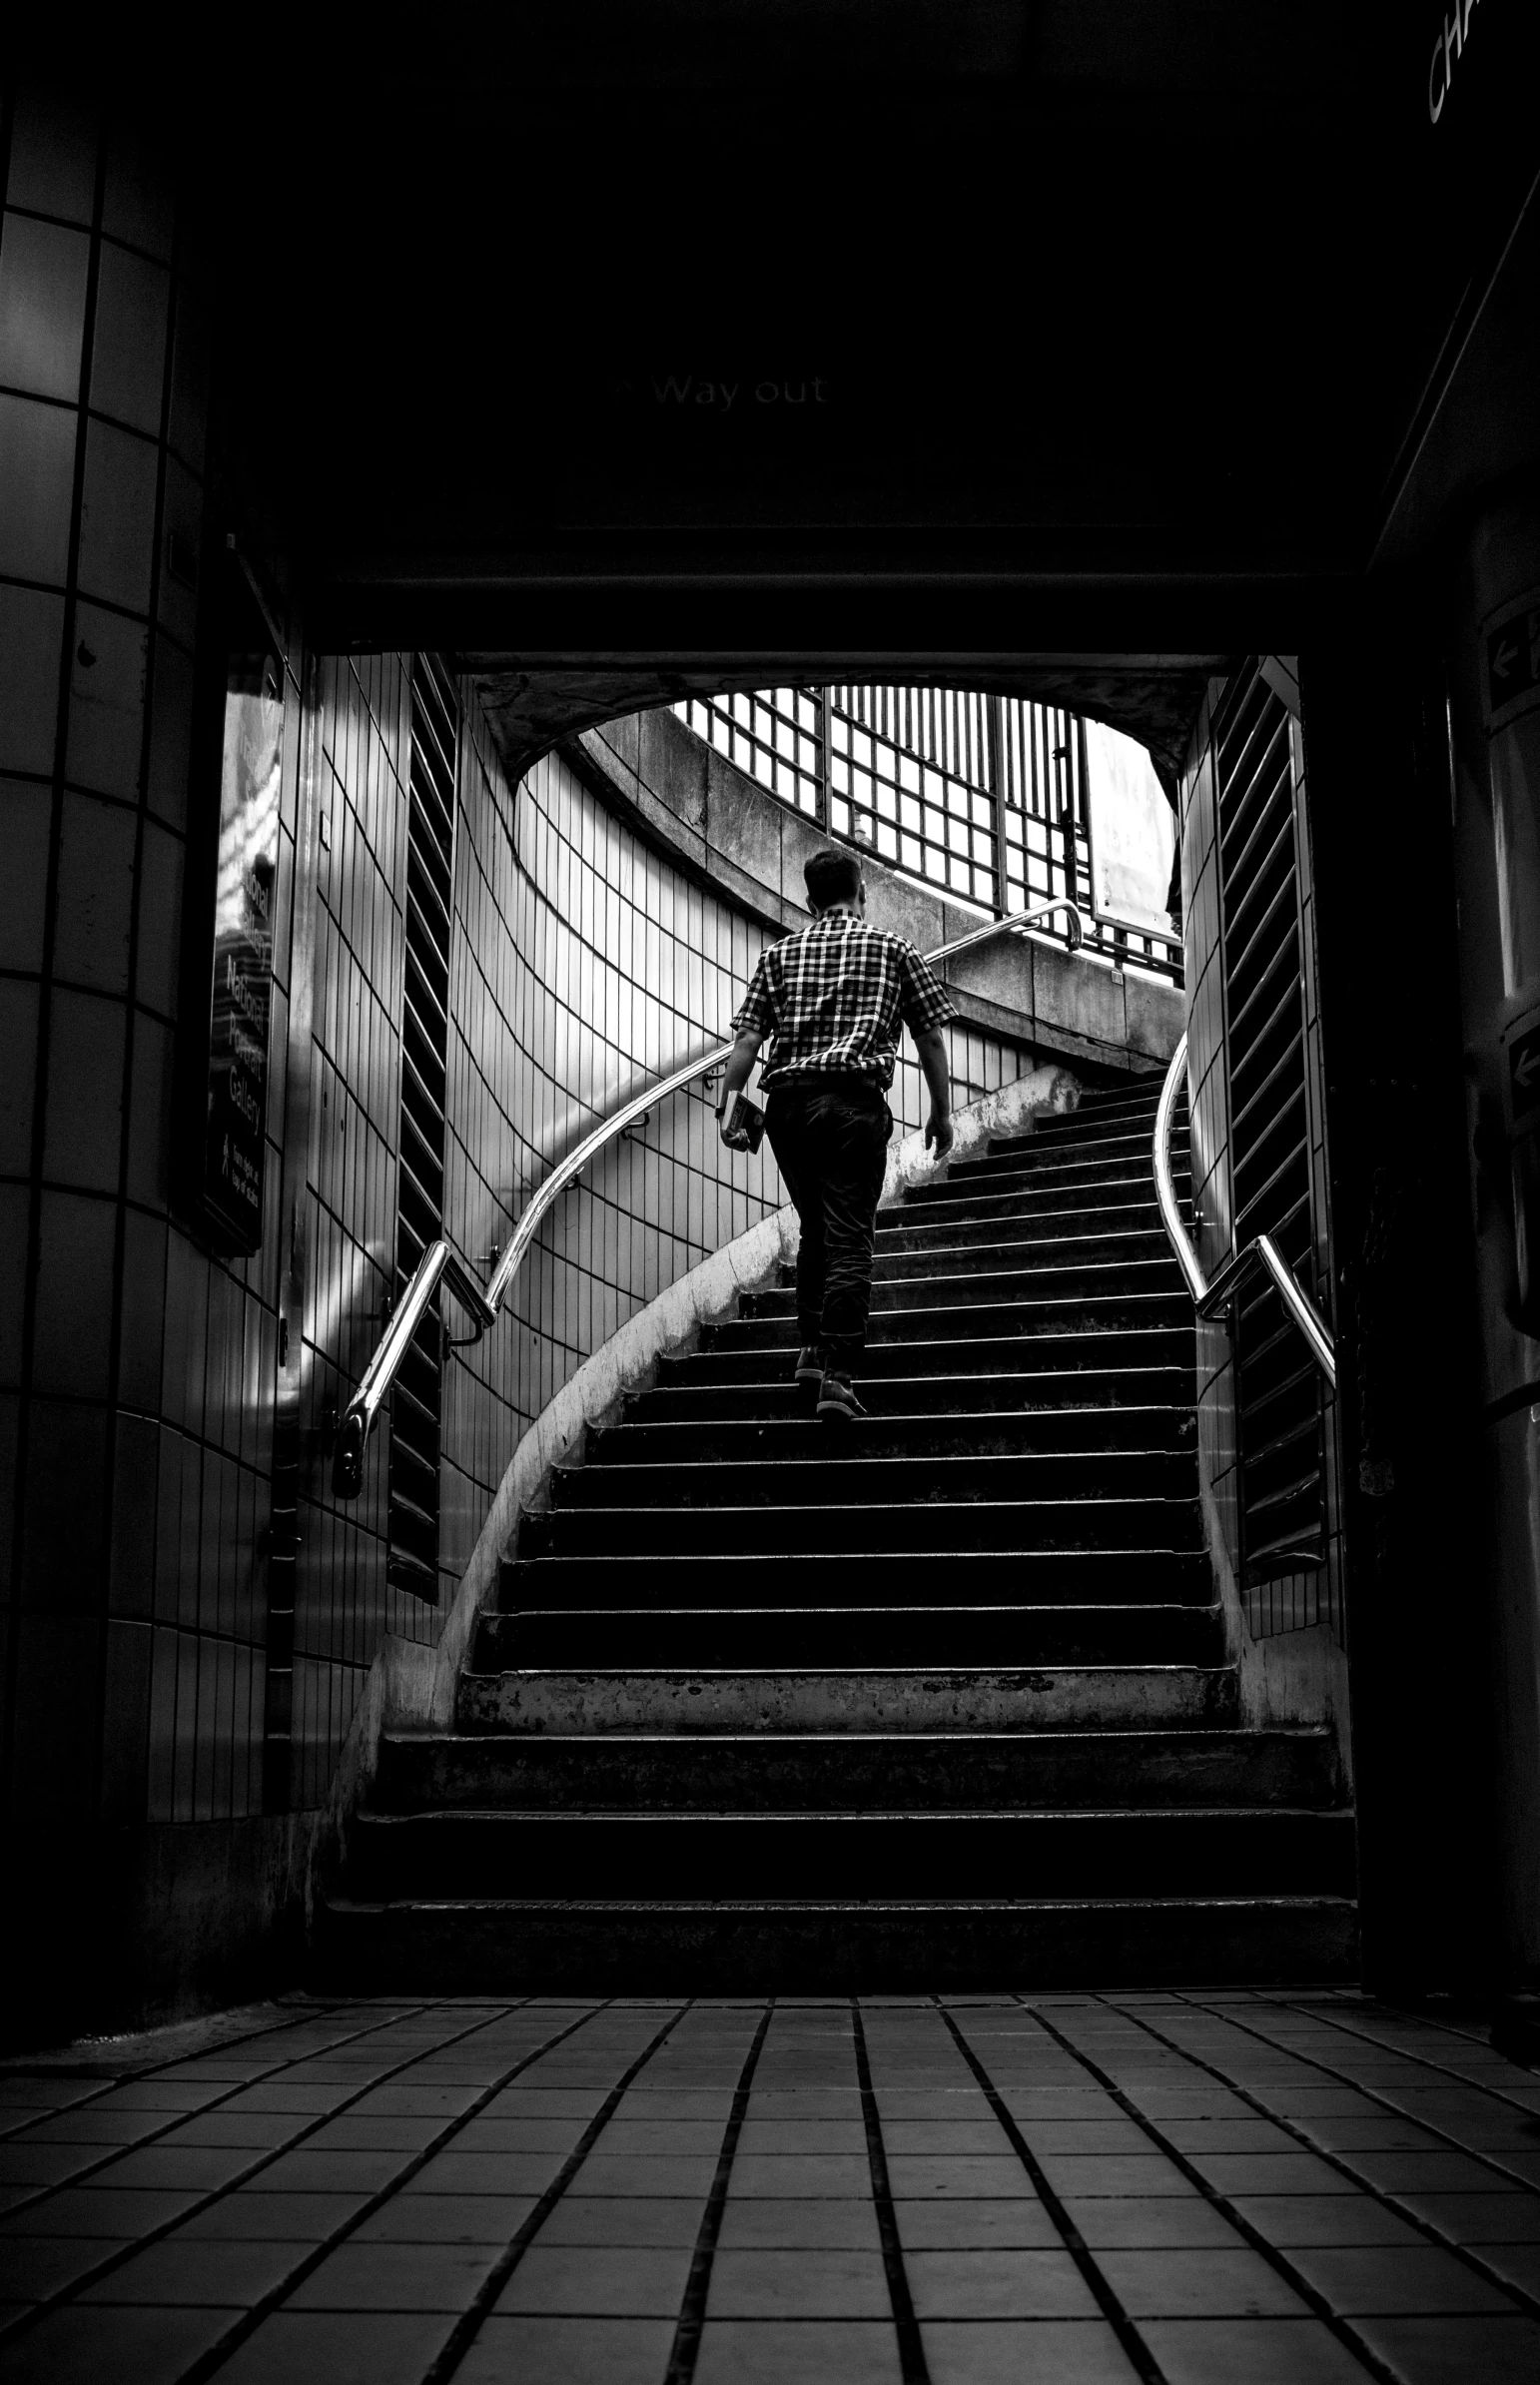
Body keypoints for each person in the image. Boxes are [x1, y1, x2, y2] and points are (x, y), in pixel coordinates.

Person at [717, 845, 956, 1419]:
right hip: (853, 1106)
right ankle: (839, 1376)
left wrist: (729, 1107)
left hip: (789, 1111)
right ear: (863, 893)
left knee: (815, 1230)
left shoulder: (778, 955)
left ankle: (809, 1349)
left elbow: (747, 1043)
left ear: (808, 899)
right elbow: (928, 1037)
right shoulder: (893, 949)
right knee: (850, 1237)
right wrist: (941, 1112)